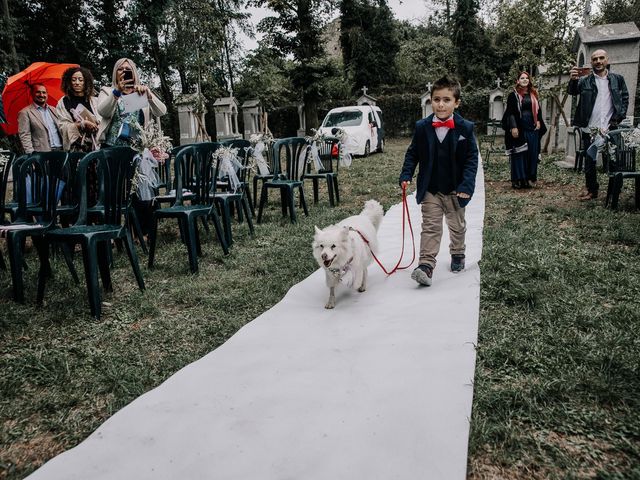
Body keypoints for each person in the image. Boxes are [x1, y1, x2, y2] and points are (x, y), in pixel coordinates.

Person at [399, 75, 479, 286]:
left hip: (455, 188)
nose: (441, 104)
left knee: (457, 226)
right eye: (436, 99)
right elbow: (412, 153)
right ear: (431, 100)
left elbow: (471, 160)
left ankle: (458, 252)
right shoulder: (422, 127)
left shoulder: (466, 128)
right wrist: (406, 174)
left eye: (446, 100)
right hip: (431, 188)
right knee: (431, 227)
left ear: (456, 102)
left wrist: (466, 186)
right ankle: (426, 265)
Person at [97, 58, 167, 238]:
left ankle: (142, 232)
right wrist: (116, 92)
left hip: (135, 149)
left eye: (128, 69)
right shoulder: (107, 91)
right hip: (111, 148)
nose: (124, 72)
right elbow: (103, 112)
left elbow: (161, 111)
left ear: (134, 72)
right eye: (121, 69)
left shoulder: (141, 91)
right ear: (115, 72)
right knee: (113, 192)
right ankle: (112, 233)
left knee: (138, 191)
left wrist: (149, 95)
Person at [568, 49, 629, 201]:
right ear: (591, 62)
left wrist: (618, 117)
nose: (598, 61)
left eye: (601, 58)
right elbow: (572, 92)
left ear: (607, 60)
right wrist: (573, 79)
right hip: (590, 128)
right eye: (595, 59)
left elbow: (625, 97)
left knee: (613, 161)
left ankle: (614, 191)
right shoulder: (585, 80)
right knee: (590, 162)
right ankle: (592, 190)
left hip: (610, 129)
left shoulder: (617, 79)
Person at [503, 71, 546, 189]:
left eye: (527, 78)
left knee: (531, 153)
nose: (525, 80)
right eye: (522, 78)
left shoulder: (534, 94)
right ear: (518, 81)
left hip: (532, 128)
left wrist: (538, 121)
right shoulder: (513, 95)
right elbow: (510, 112)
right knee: (519, 153)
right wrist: (513, 127)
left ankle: (528, 178)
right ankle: (518, 179)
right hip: (520, 127)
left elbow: (538, 111)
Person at [56, 66, 100, 152]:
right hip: (76, 148)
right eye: (73, 80)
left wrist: (96, 125)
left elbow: (103, 119)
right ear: (69, 82)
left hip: (96, 145)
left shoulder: (95, 101)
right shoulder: (63, 102)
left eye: (80, 80)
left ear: (86, 82)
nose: (77, 82)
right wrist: (81, 124)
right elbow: (62, 126)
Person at [17, 84, 63, 154]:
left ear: (47, 94)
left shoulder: (54, 109)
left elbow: (62, 127)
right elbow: (25, 135)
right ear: (32, 94)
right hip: (41, 153)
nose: (41, 95)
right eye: (38, 92)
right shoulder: (25, 113)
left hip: (60, 150)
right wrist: (31, 154)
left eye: (44, 92)